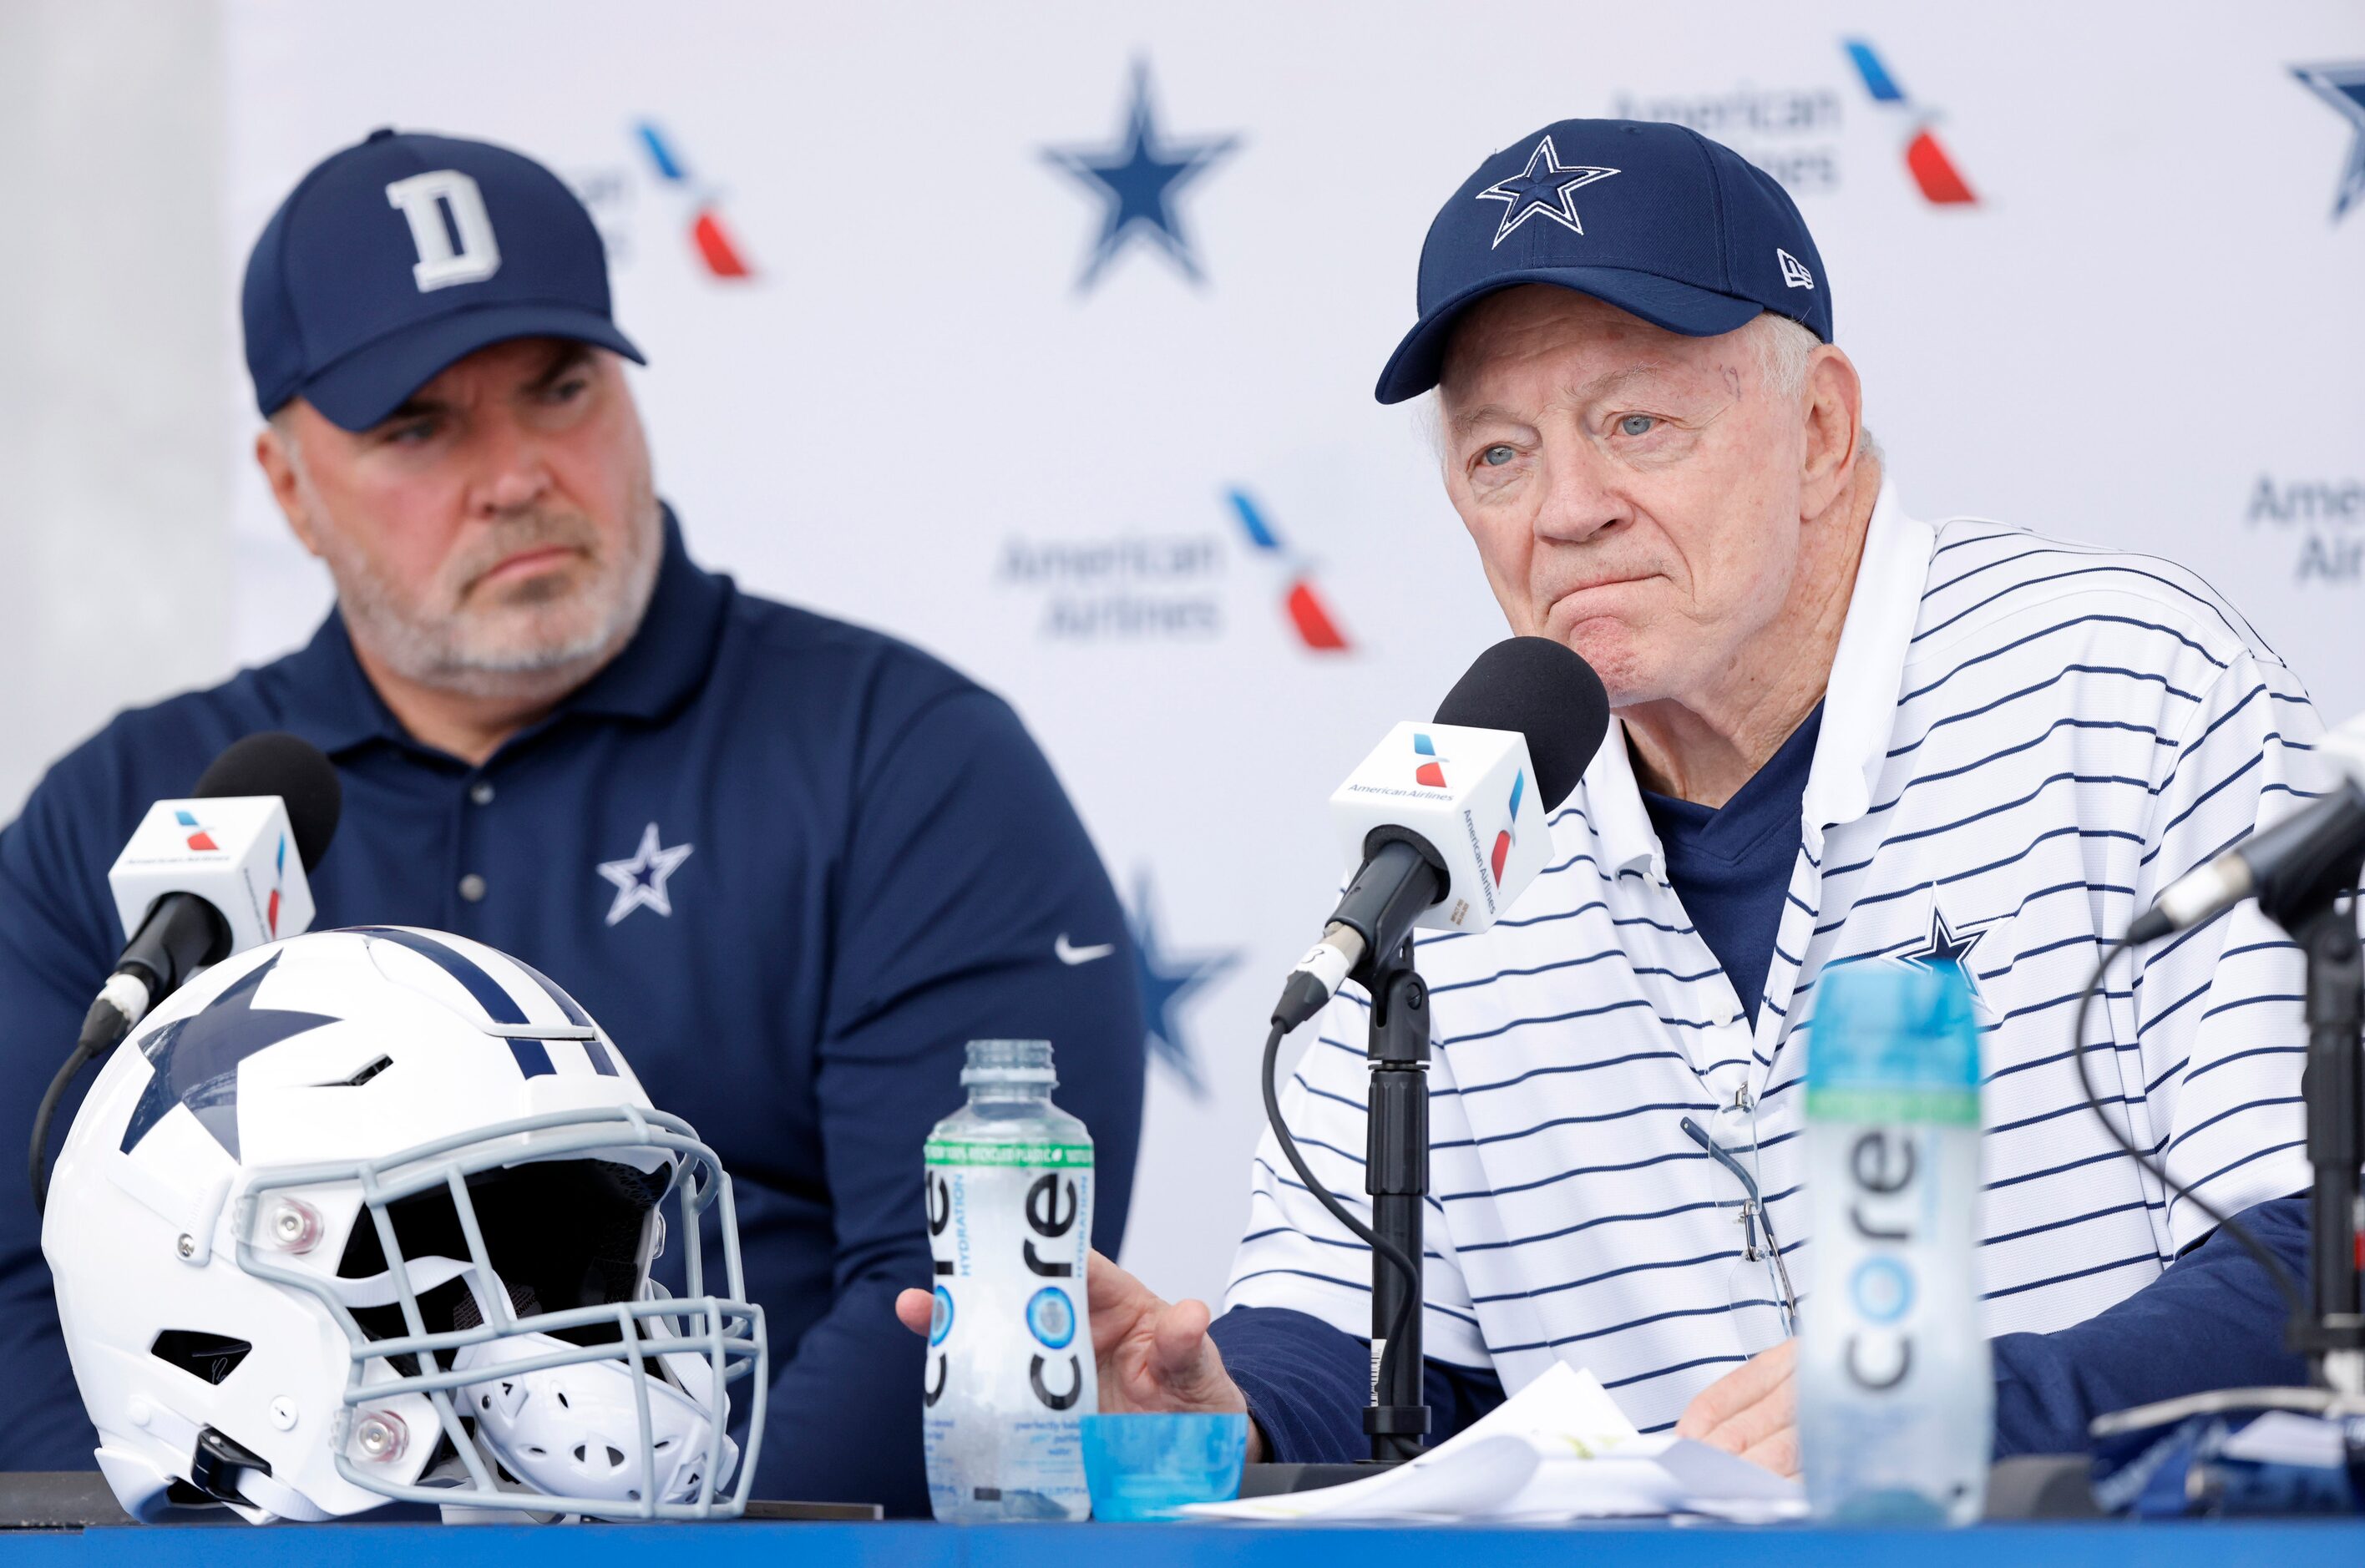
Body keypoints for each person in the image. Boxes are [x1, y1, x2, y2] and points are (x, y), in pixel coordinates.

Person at [900, 118, 2322, 1474]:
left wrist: (1972, 1406)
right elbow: (1368, 1344)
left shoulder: (2125, 686)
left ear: (1822, 427)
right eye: (1499, 452)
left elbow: (2321, 1238)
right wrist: (1216, 1407)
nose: (1562, 509)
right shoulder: (1449, 817)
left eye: (1634, 421)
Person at [0, 129, 1145, 1516]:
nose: (518, 473)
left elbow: (952, 1291)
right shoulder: (124, 810)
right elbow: (19, 1276)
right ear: (289, 484)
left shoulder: (906, 759)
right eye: (419, 425)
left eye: (560, 390)